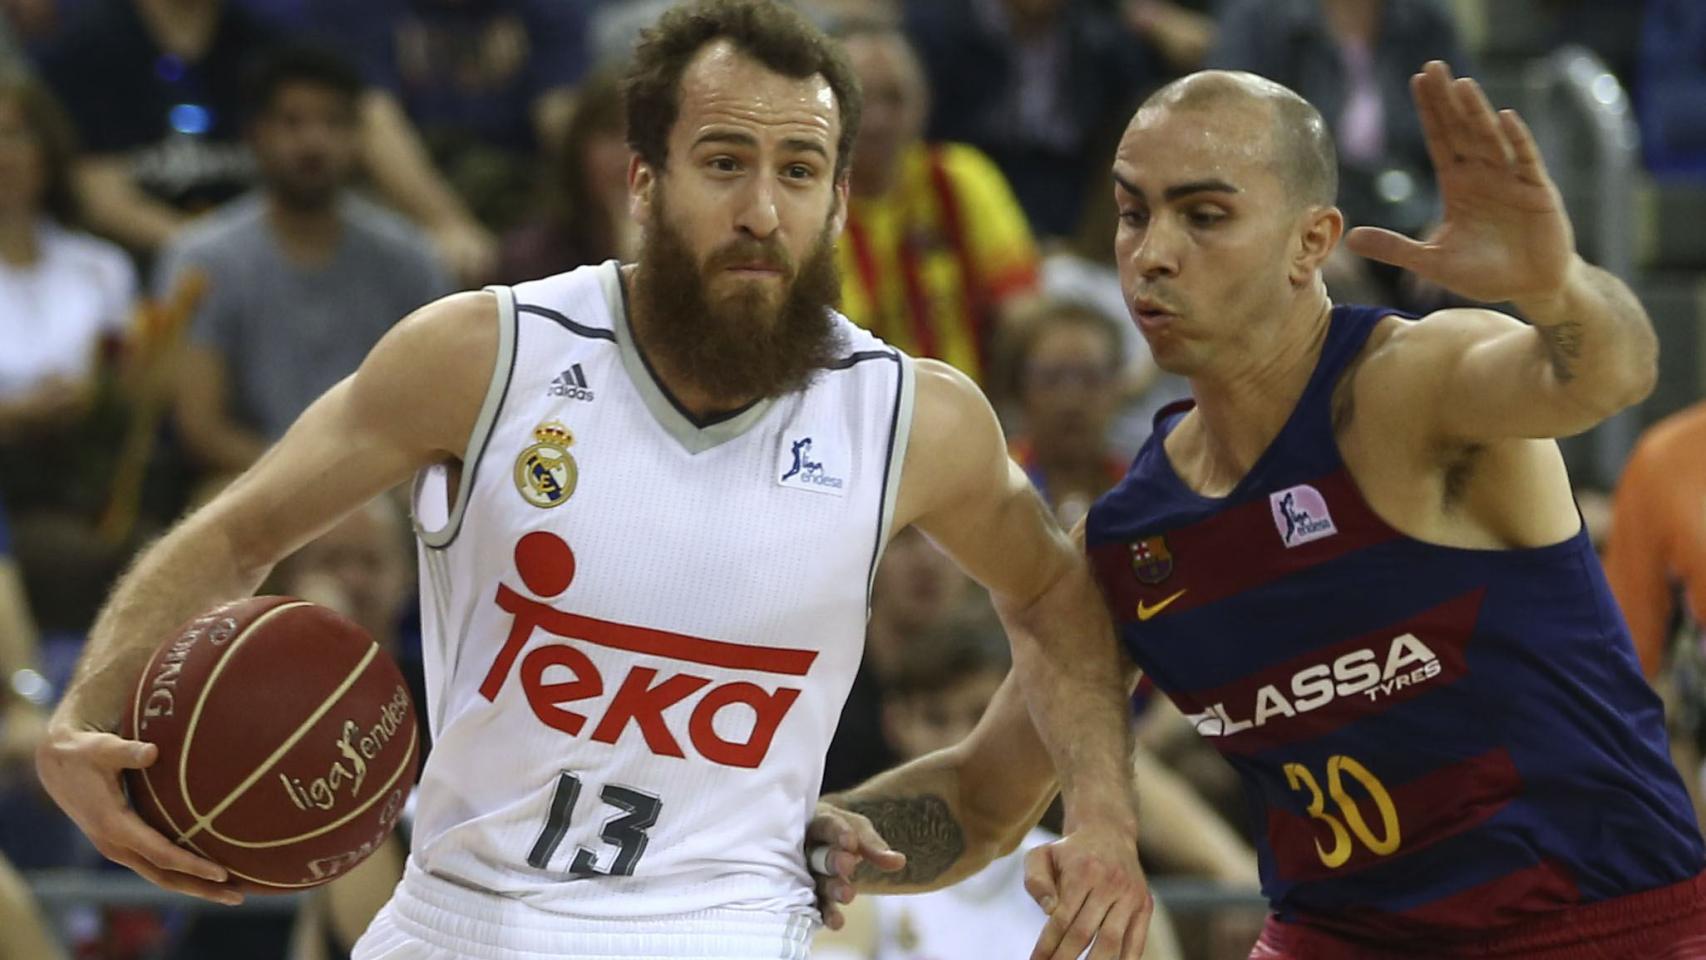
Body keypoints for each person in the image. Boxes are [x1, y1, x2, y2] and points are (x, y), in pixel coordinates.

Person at [35, 4, 1151, 960]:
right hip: (465, 917)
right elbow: (240, 533)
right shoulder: (483, 354)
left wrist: (1099, 816)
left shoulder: (914, 418)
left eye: (798, 171)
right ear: (641, 179)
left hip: (727, 927)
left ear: (838, 200)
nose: (762, 208)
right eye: (723, 163)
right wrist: (82, 715)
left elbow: (1056, 595)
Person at [811, 64, 1706, 958]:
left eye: (1204, 216)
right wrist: (768, 835)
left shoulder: (1409, 388)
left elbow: (1609, 373)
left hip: (1597, 925)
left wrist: (1557, 289)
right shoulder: (1129, 539)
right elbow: (978, 802)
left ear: (1311, 243)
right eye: (1132, 214)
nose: (1153, 253)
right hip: (1337, 936)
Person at [159, 44, 450, 476]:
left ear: (358, 137)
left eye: (333, 122)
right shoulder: (203, 258)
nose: (314, 142)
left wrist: (359, 493)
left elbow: (438, 408)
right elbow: (202, 429)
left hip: (384, 485)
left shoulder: (411, 257)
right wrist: (314, 492)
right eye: (292, 122)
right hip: (247, 481)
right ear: (255, 134)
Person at [832, 18, 1040, 386]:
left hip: (965, 410)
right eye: (861, 99)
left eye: (894, 98)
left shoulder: (961, 176)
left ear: (923, 101)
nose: (878, 120)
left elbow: (1022, 309)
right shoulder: (807, 198)